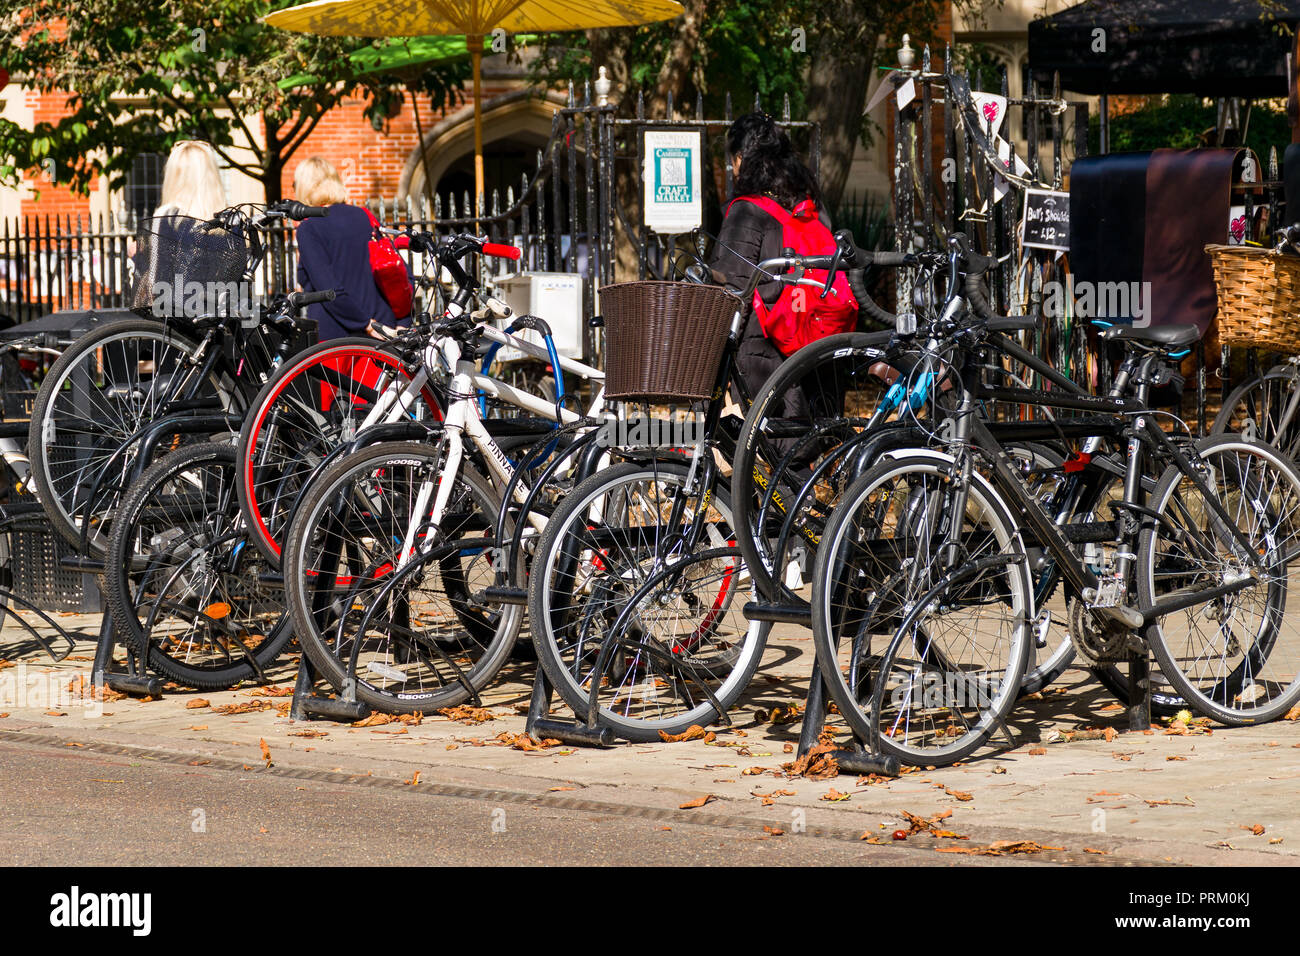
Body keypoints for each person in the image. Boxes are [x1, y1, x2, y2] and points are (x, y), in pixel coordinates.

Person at [707, 111, 830, 397]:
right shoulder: (809, 209)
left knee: (754, 439)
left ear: (740, 158)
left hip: (760, 356)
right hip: (814, 347)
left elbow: (731, 289)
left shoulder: (746, 211)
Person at [292, 156, 402, 341]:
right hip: (382, 326)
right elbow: (394, 266)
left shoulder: (309, 227)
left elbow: (328, 290)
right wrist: (401, 321)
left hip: (337, 337)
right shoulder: (364, 216)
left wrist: (366, 324)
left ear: (305, 187)